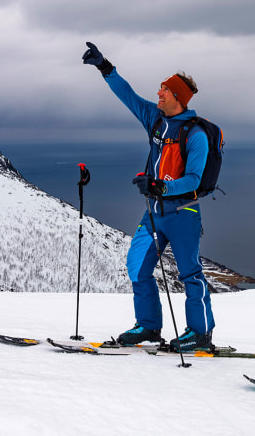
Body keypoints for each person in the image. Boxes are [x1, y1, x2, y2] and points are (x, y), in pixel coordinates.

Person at [82, 42, 215, 352]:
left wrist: (160, 188)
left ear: (177, 98)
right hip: (154, 213)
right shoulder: (155, 119)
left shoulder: (195, 134)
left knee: (190, 274)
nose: (158, 94)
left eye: (164, 90)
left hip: (184, 214)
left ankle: (200, 333)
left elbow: (194, 179)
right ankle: (149, 326)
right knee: (137, 267)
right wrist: (106, 68)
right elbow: (127, 96)